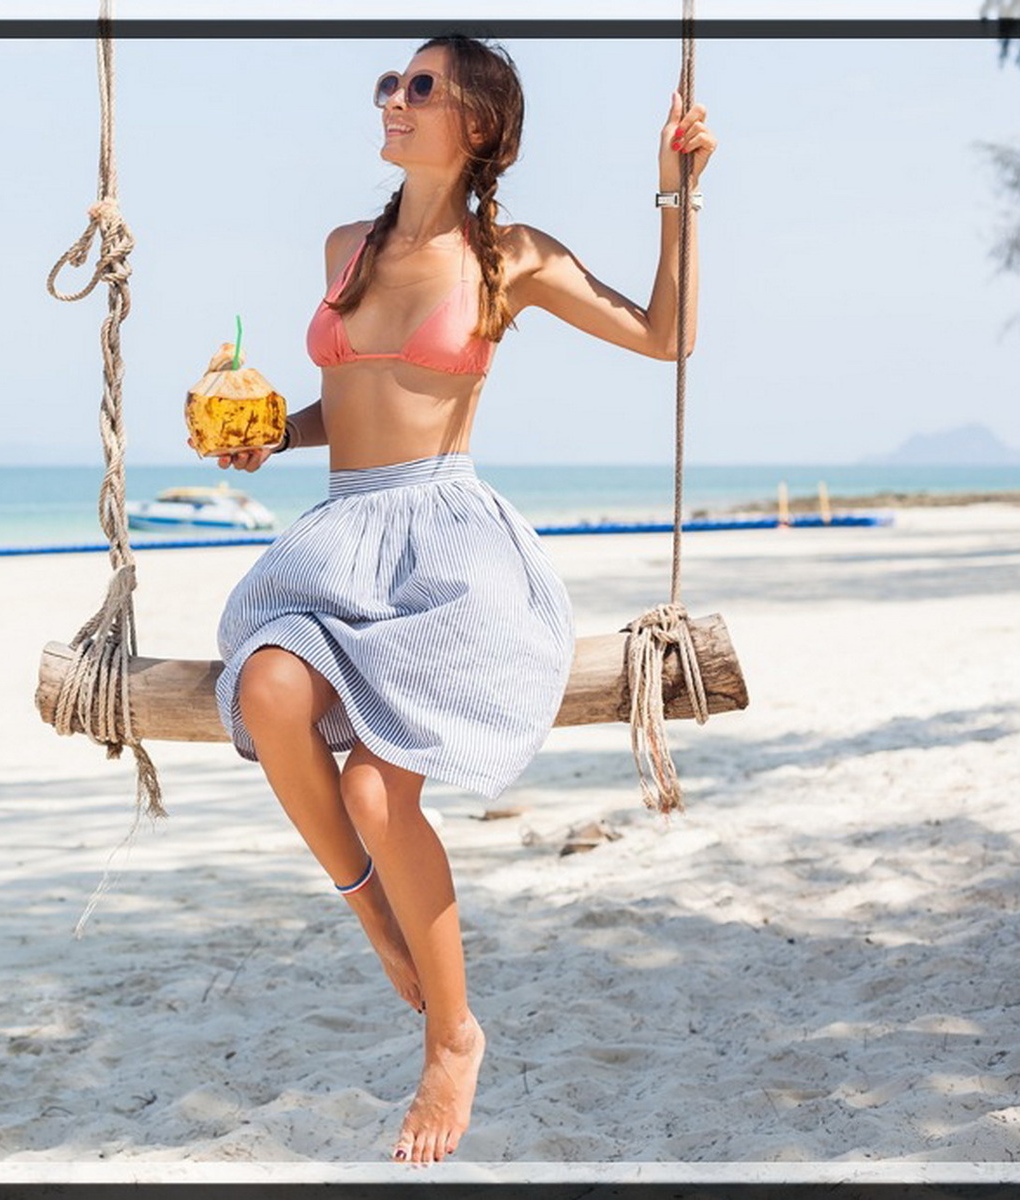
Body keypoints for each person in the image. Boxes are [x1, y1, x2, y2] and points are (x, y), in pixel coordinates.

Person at [204, 35, 716, 1164]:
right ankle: (371, 917)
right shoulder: (346, 245)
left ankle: (451, 1034)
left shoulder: (510, 259)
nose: (394, 97)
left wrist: (674, 198)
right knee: (273, 688)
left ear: (476, 125)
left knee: (381, 798)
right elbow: (353, 399)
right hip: (342, 537)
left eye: (420, 87)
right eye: (391, 82)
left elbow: (663, 335)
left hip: (449, 547)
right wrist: (268, 432)